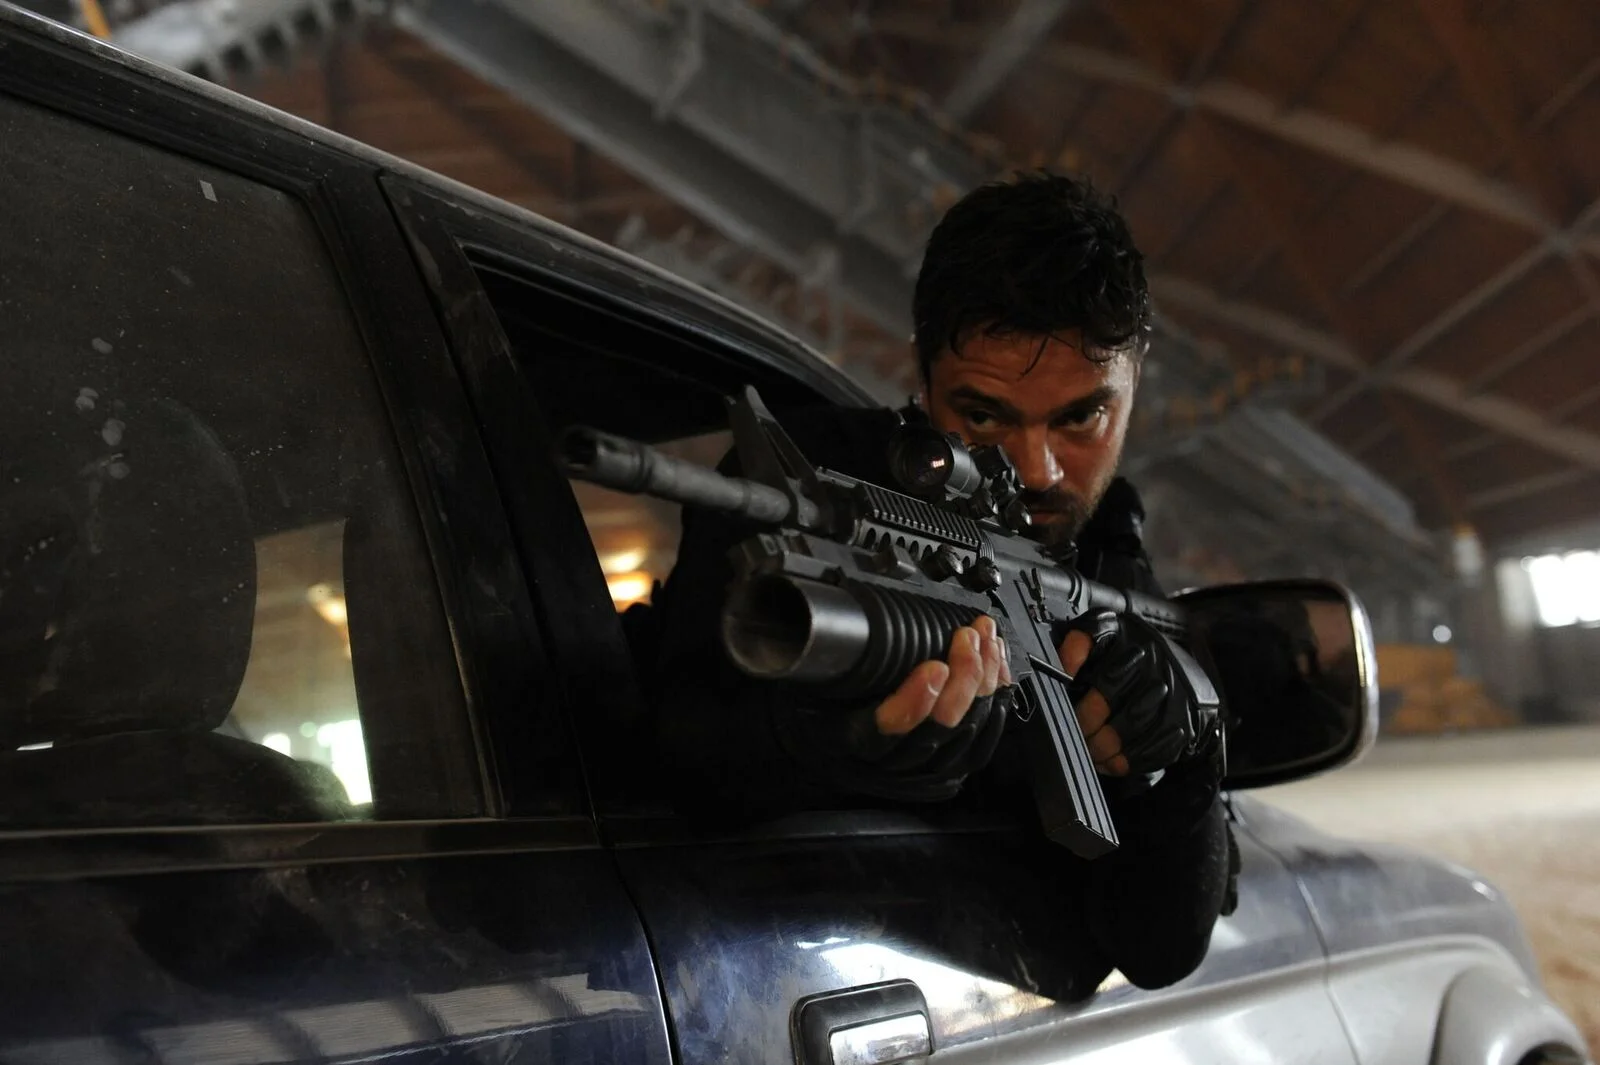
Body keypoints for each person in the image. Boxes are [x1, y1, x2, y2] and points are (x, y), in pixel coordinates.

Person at [644, 170, 1237, 991]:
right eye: (984, 415)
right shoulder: (814, 488)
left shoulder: (1111, 563)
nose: (1037, 468)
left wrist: (1182, 767)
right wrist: (830, 745)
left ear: (1134, 385)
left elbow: (1160, 949)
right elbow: (671, 756)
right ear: (922, 384)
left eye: (1080, 417)